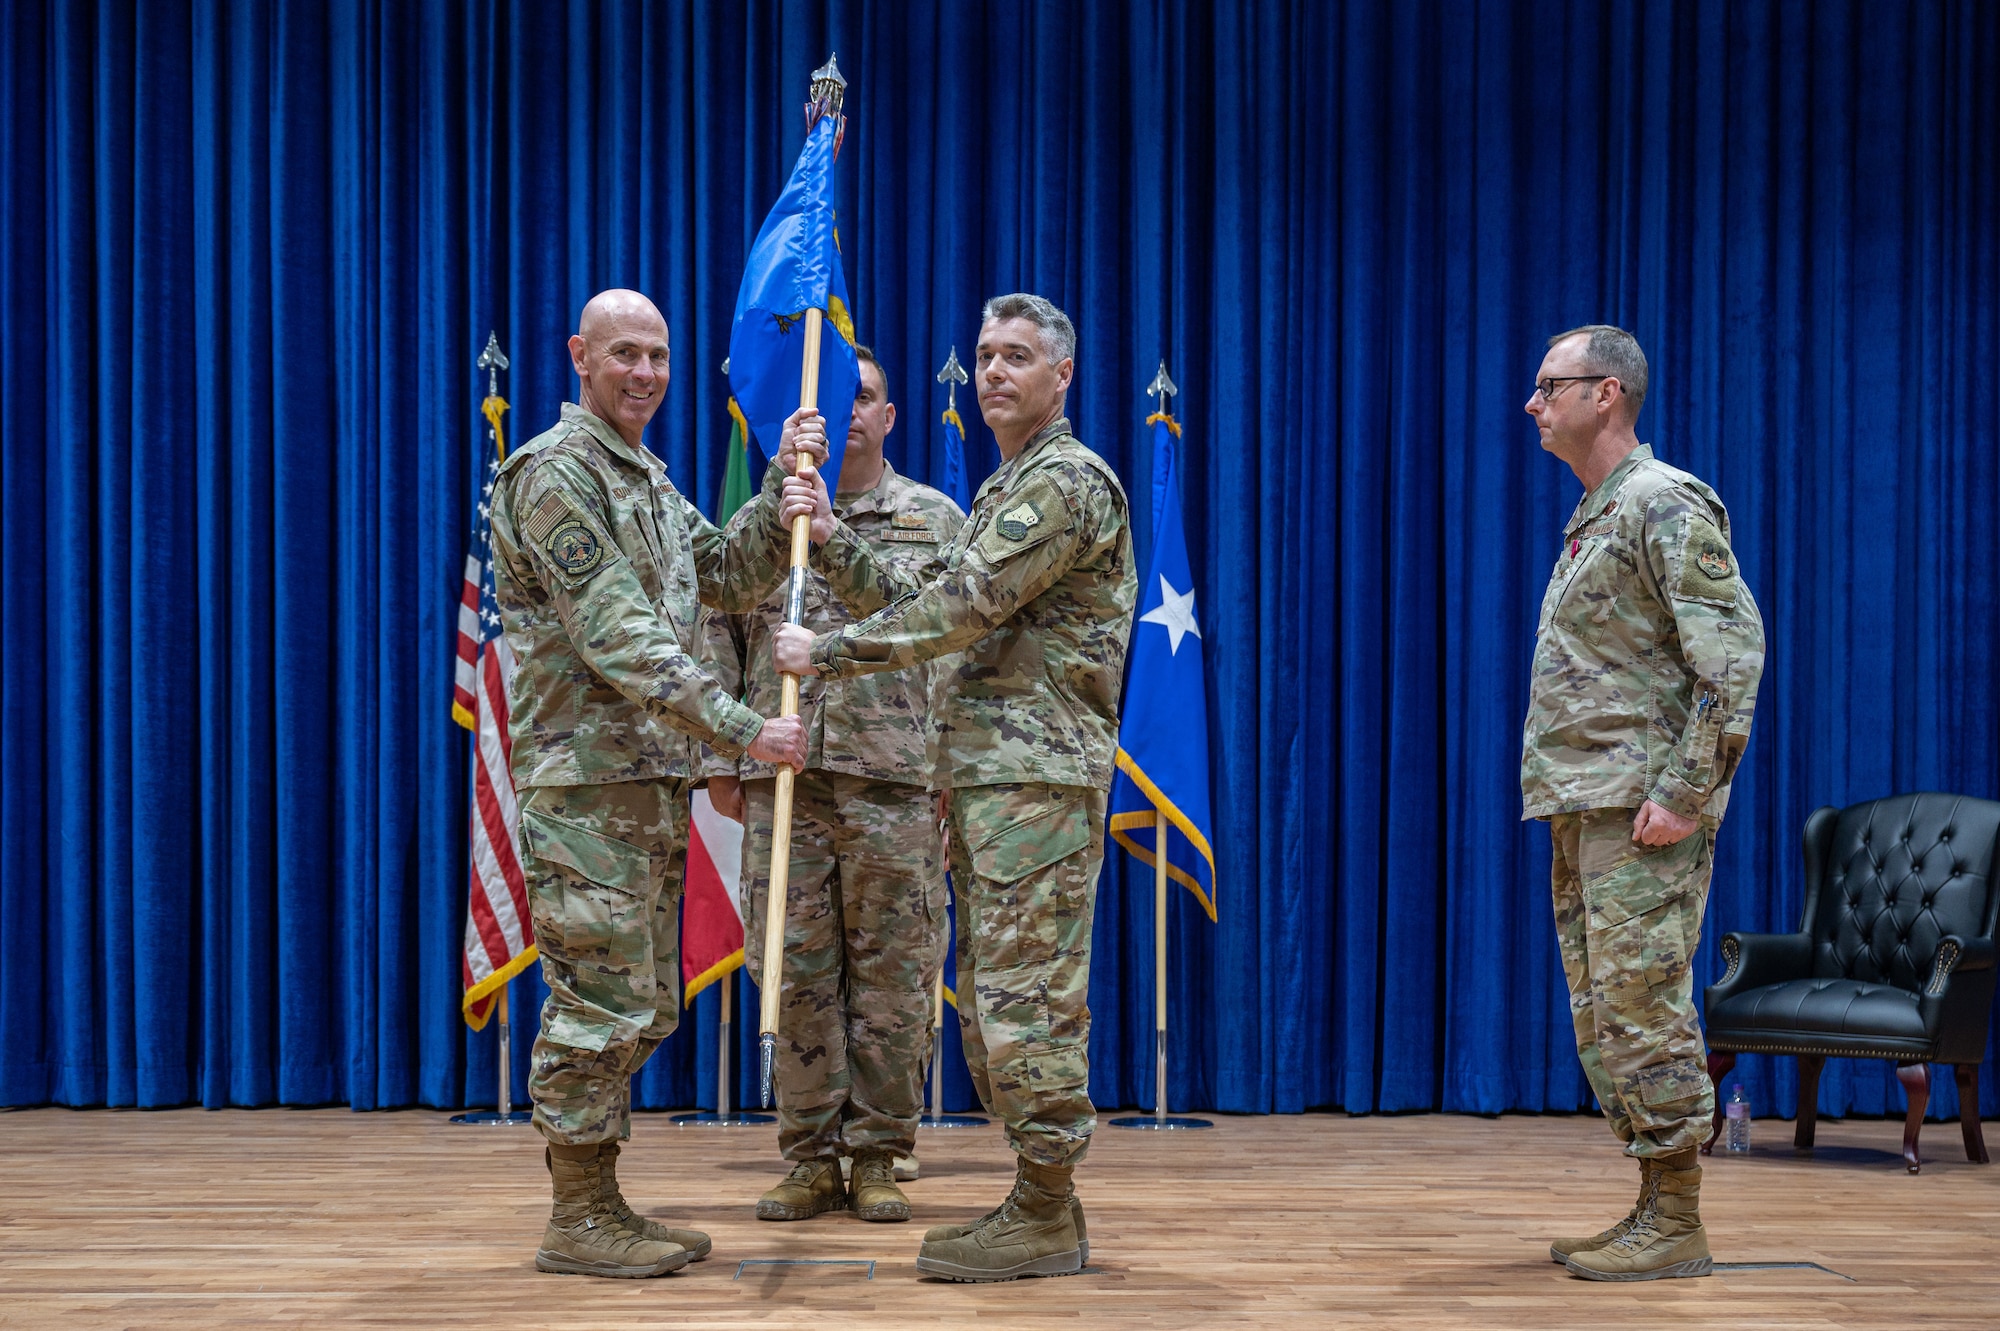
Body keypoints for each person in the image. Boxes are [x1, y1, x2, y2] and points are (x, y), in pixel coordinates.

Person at [772, 293, 1136, 1282]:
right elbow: (932, 591)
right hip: (990, 782)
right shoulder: (1006, 485)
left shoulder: (1062, 481)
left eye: (1017, 356)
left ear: (1062, 375)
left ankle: (1047, 1207)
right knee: (989, 998)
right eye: (982, 355)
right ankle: (1033, 1197)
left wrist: (828, 649)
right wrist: (835, 543)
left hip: (1033, 783)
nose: (992, 372)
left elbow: (961, 606)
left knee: (1025, 1001)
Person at [489, 288, 807, 1279]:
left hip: (643, 781)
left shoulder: (648, 479)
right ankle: (577, 1214)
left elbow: (720, 574)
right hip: (587, 784)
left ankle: (600, 1202)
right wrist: (747, 728)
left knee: (639, 1002)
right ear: (577, 354)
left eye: (659, 355)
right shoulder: (552, 474)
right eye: (624, 352)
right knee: (597, 1005)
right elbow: (621, 638)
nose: (644, 372)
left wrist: (777, 495)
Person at [695, 345, 965, 1223]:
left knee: (892, 977)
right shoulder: (770, 515)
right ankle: (809, 1154)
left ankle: (882, 1151)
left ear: (891, 416)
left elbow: (940, 632)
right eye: (836, 396)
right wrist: (722, 759)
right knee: (796, 971)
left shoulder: (934, 517)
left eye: (869, 397)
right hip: (787, 776)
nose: (850, 410)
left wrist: (955, 775)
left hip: (896, 777)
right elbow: (722, 624)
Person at [1520, 324, 1766, 1281]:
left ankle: (1677, 1219)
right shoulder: (1599, 512)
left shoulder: (1663, 502)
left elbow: (1732, 657)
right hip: (1590, 802)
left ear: (1607, 393)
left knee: (1643, 1004)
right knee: (1604, 1012)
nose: (1534, 404)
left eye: (1550, 385)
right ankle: (1651, 1203)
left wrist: (1684, 790)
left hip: (1642, 808)